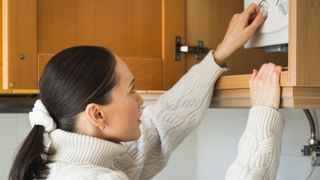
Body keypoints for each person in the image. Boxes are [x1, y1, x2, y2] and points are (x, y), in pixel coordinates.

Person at [9, 3, 284, 180]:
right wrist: (263, 115)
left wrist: (219, 54)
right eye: (131, 91)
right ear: (97, 114)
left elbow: (159, 125)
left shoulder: (62, 163)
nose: (141, 100)